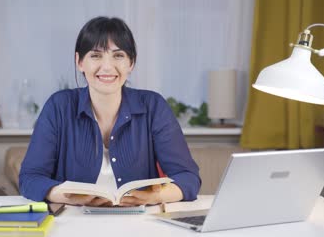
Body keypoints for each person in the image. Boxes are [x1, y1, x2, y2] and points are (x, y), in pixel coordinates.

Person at [19, 16, 201, 207]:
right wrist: (64, 195)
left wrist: (155, 197)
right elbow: (30, 178)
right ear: (79, 61)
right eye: (96, 55)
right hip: (74, 223)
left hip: (139, 225)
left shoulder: (153, 106)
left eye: (118, 55)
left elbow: (188, 178)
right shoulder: (58, 106)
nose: (107, 67)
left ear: (131, 63)